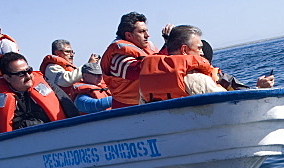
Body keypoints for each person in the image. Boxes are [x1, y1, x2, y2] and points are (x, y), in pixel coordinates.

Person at [138, 25, 274, 102]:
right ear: (184, 50)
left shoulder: (145, 84)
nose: (202, 53)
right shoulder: (196, 79)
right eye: (199, 48)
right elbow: (231, 102)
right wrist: (260, 90)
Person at [102, 12, 173, 109]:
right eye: (141, 32)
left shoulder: (148, 48)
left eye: (146, 31)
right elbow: (138, 71)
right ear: (128, 35)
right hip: (126, 110)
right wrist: (168, 45)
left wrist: (172, 45)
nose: (147, 35)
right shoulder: (117, 56)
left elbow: (156, 62)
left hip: (147, 105)